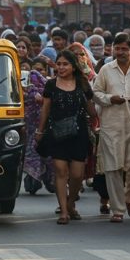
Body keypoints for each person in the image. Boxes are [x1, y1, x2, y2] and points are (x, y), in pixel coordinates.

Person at [35, 50, 99, 224]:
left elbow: (91, 110)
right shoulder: (51, 85)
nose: (61, 67)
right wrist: (40, 131)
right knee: (61, 172)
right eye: (59, 64)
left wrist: (95, 114)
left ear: (73, 67)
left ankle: (71, 204)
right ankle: (63, 211)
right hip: (57, 134)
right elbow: (45, 110)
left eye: (65, 64)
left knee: (77, 175)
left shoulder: (83, 83)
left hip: (79, 135)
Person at [92, 34, 130, 222]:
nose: (121, 52)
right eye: (118, 48)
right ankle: (118, 209)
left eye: (125, 49)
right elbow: (96, 93)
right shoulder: (106, 70)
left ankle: (129, 198)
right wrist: (110, 99)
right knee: (113, 167)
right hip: (111, 125)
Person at [22, 57, 51, 194]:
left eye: (40, 70)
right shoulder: (24, 87)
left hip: (47, 128)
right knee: (32, 154)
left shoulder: (51, 85)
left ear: (46, 71)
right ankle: (33, 181)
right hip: (30, 128)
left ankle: (50, 180)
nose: (35, 73)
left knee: (49, 157)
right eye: (33, 70)